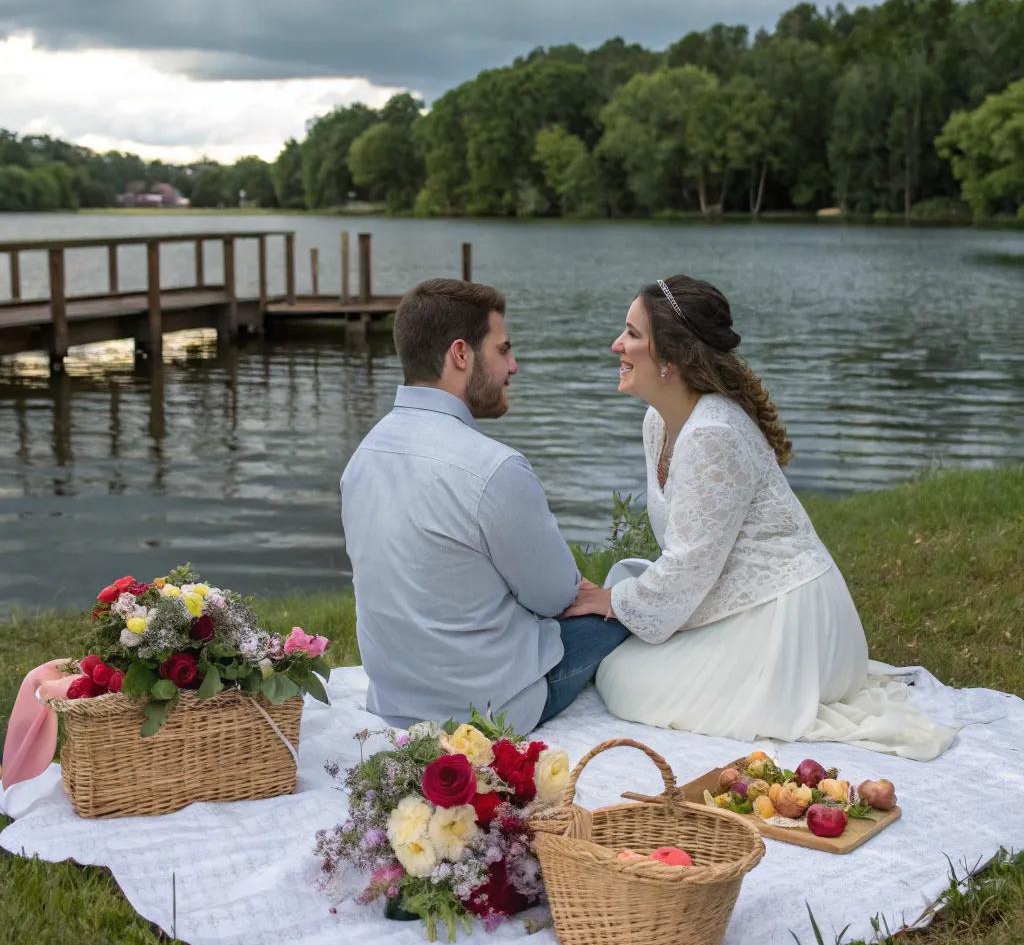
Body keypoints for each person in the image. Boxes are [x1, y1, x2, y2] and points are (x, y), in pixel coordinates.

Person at [564, 274, 957, 759]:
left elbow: (688, 569)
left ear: (672, 358)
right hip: (735, 597)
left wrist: (611, 601)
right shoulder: (659, 422)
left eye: (633, 334)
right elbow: (693, 559)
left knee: (626, 680)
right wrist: (620, 601)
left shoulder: (713, 432)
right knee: (623, 659)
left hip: (790, 616)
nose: (616, 344)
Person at [341, 277, 628, 733]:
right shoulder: (494, 469)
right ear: (461, 354)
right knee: (624, 610)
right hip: (485, 709)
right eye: (503, 350)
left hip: (394, 697)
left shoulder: (364, 457)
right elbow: (556, 596)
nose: (513, 366)